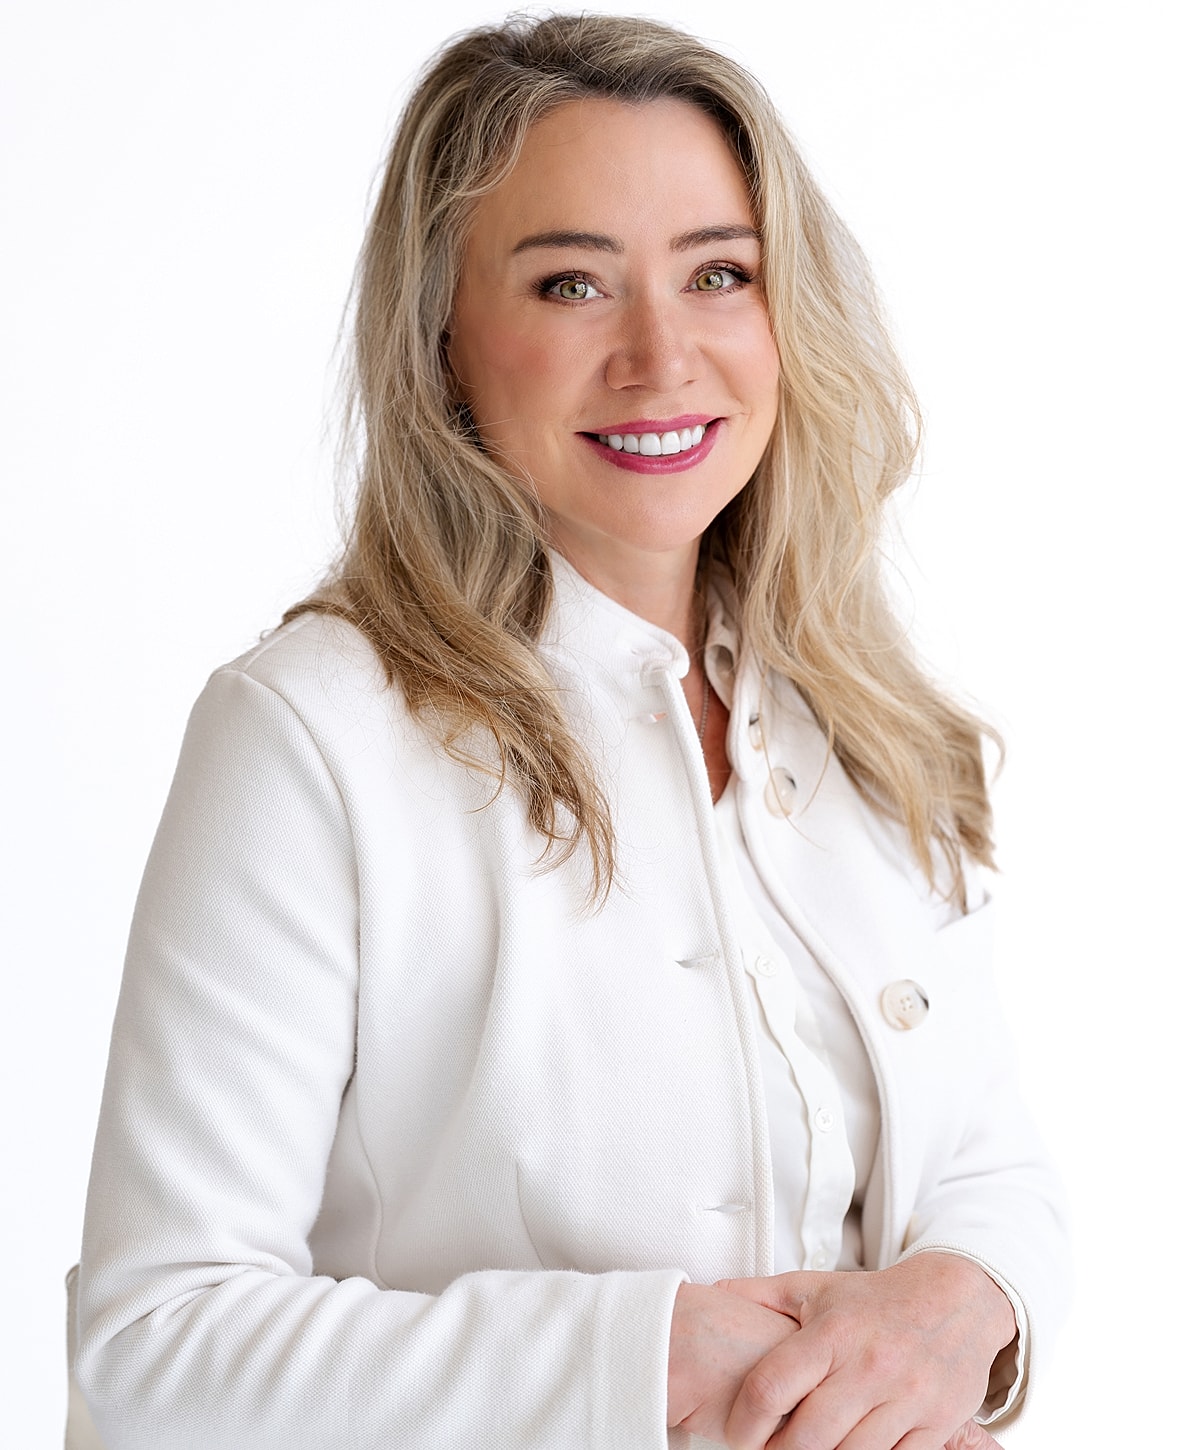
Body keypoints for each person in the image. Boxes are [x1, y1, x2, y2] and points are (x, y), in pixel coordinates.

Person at [73, 13, 1069, 1449]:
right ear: (442, 344)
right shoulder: (308, 735)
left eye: (719, 273)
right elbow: (155, 1345)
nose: (662, 357)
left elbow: (991, 1157)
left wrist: (968, 1303)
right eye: (571, 284)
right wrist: (651, 1357)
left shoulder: (858, 714)